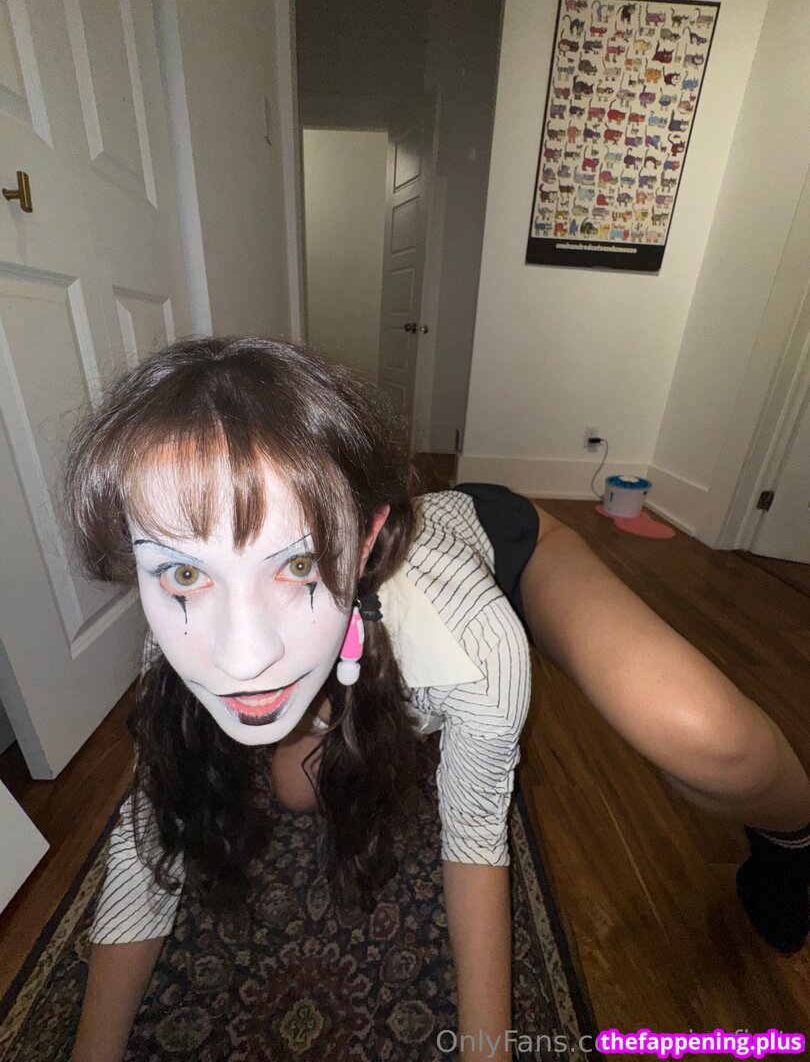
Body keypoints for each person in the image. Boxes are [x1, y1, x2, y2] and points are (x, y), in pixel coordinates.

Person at [66, 336, 810, 1061]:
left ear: (364, 546)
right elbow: (149, 834)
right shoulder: (175, 643)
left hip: (502, 551)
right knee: (298, 787)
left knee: (707, 735)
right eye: (186, 574)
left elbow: (476, 835)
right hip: (375, 620)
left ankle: (796, 841)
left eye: (297, 564)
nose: (240, 656)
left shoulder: (473, 641)